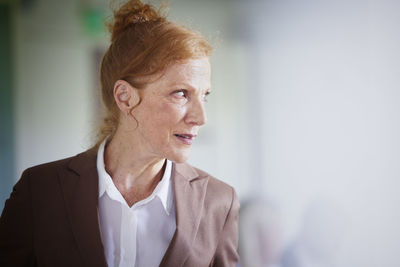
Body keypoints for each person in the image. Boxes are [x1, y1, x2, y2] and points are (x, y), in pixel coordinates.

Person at [0, 1, 239, 266]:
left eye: (204, 96)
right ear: (125, 98)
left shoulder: (219, 202)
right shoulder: (40, 192)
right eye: (181, 93)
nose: (200, 118)